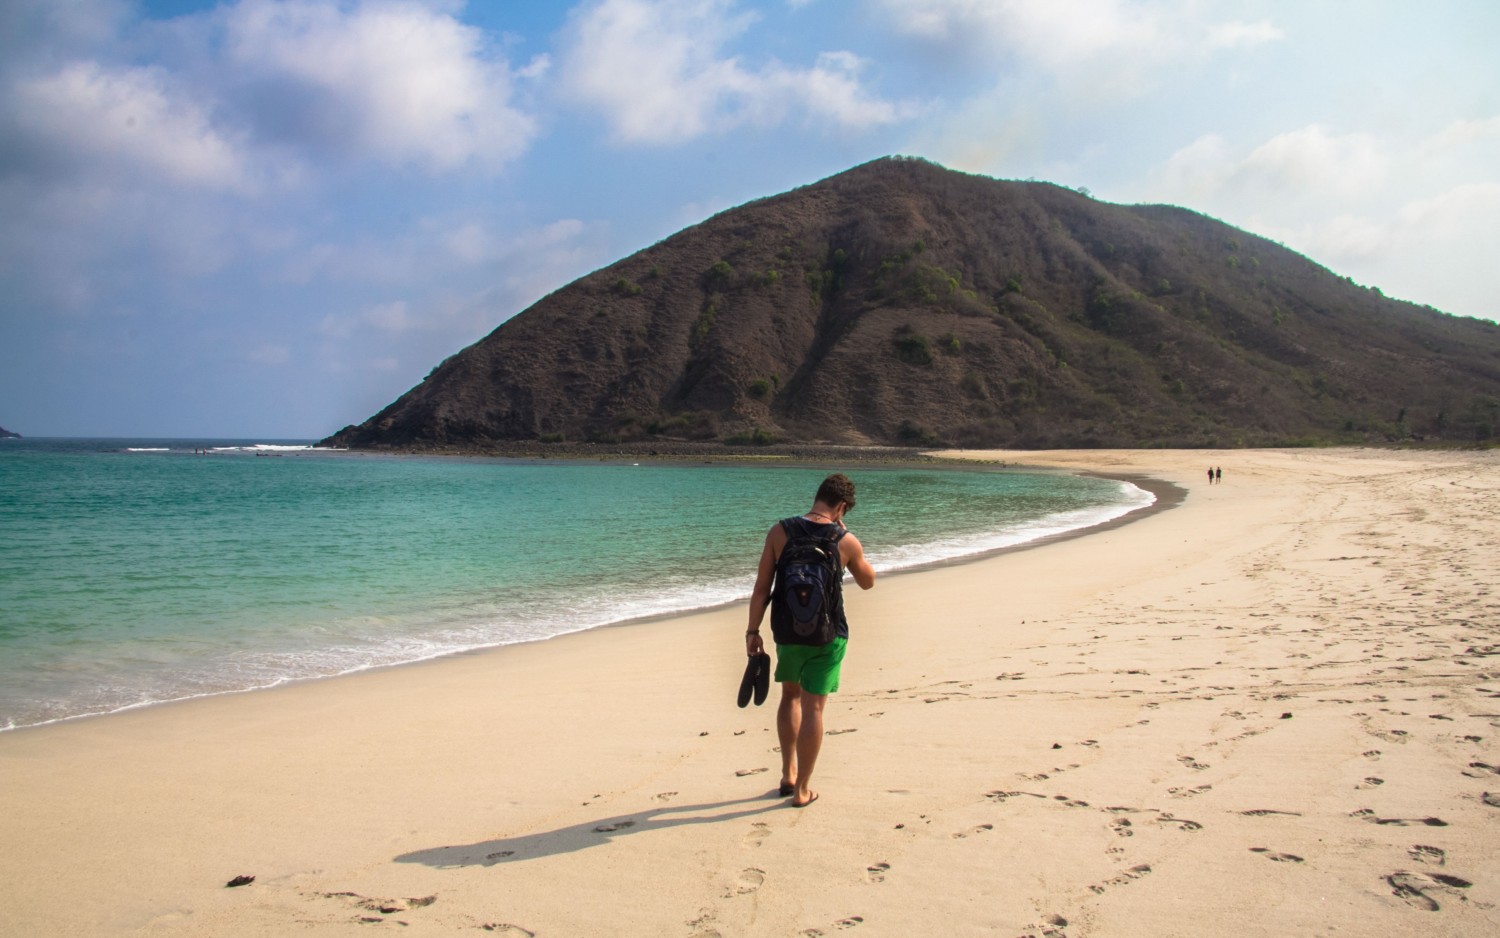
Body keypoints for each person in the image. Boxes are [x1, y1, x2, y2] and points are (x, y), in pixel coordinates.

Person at [745, 473, 876, 808]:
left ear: (818, 496)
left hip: (787, 632)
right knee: (814, 706)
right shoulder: (845, 540)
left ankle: (788, 773)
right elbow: (867, 582)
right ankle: (802, 789)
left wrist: (752, 630)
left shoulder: (780, 531)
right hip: (828, 635)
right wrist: (846, 540)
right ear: (842, 507)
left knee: (789, 696)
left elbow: (762, 587)